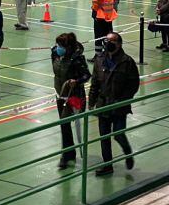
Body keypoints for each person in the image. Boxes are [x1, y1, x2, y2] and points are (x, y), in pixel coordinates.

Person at [88, 32, 139, 177]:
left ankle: (127, 152)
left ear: (119, 44)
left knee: (118, 134)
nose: (107, 43)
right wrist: (91, 102)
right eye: (106, 41)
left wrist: (123, 100)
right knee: (104, 137)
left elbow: (133, 84)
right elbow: (95, 83)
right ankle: (107, 165)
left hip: (119, 106)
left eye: (111, 41)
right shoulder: (99, 60)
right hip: (103, 104)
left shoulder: (127, 62)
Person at [51, 32, 89, 168]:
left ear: (68, 47)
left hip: (74, 96)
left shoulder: (77, 59)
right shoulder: (55, 53)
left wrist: (76, 81)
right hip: (59, 94)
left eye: (61, 45)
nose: (57, 47)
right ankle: (69, 151)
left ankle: (66, 155)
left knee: (65, 121)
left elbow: (86, 75)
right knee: (64, 124)